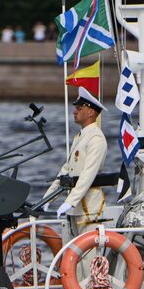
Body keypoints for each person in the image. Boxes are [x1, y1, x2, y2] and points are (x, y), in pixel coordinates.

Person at [43, 87, 108, 244]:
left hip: (89, 209)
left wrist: (69, 201)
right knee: (74, 258)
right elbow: (66, 171)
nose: (74, 112)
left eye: (79, 108)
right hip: (76, 208)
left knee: (88, 260)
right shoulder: (80, 137)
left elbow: (87, 174)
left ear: (91, 112)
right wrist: (48, 198)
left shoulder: (96, 139)